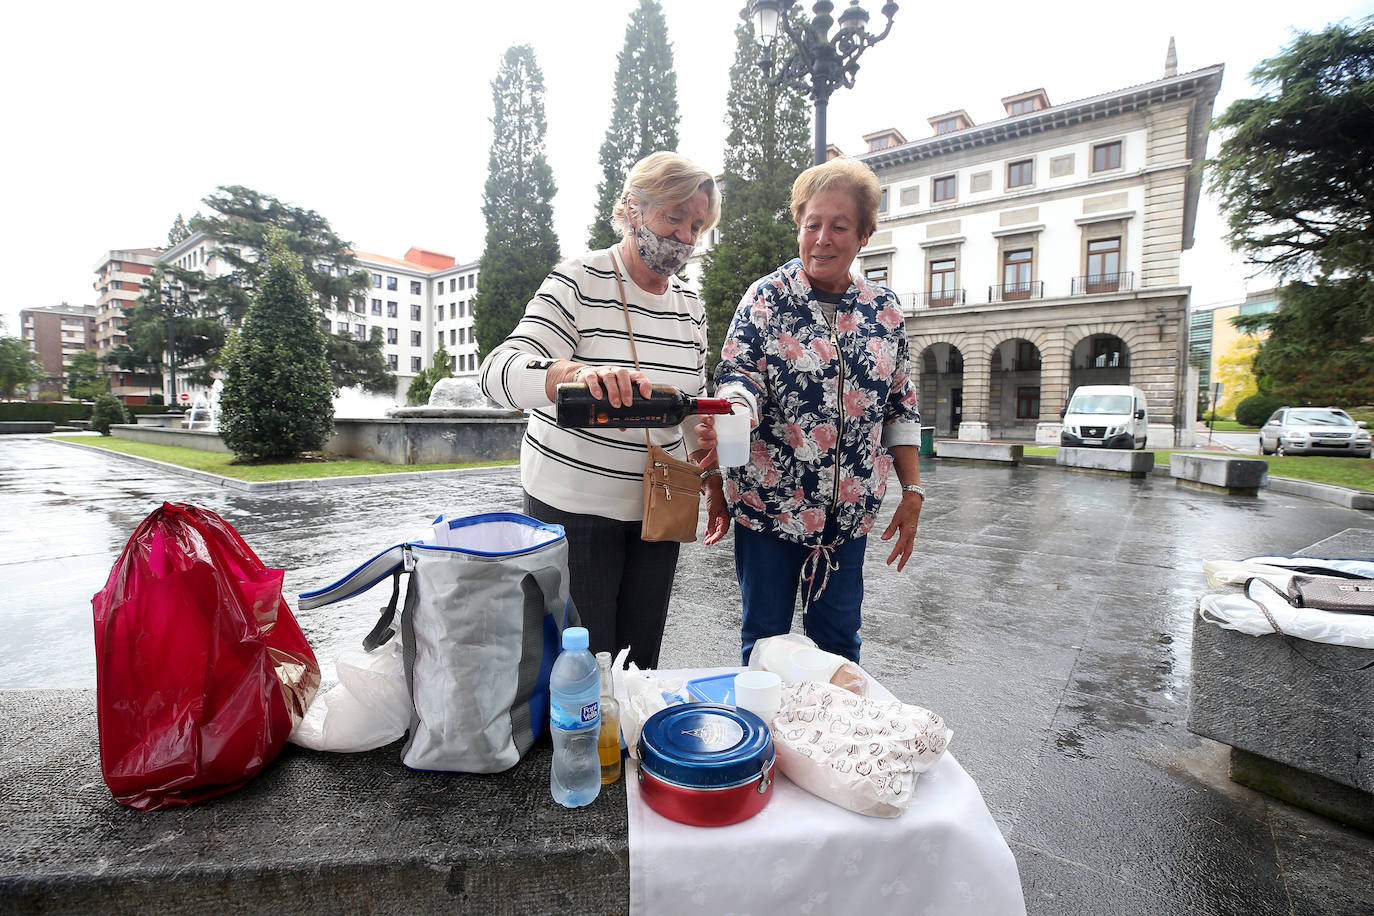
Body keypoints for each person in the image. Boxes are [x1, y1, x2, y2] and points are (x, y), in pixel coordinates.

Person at [478, 151, 722, 670]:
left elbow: (686, 407)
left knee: (637, 664)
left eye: (696, 224)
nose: (684, 235)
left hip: (659, 506)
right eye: (673, 216)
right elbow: (498, 372)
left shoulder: (691, 308)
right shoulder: (578, 280)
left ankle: (627, 747)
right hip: (575, 507)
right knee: (585, 665)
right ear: (634, 209)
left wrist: (709, 441)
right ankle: (579, 750)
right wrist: (573, 374)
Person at [706, 156, 923, 666]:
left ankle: (830, 746)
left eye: (839, 226)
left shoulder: (884, 310)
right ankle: (769, 746)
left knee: (841, 647)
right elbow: (739, 375)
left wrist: (912, 491)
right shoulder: (766, 298)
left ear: (864, 235)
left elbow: (900, 404)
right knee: (765, 645)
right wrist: (737, 407)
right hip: (770, 510)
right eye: (812, 224)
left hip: (848, 518)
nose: (822, 238)